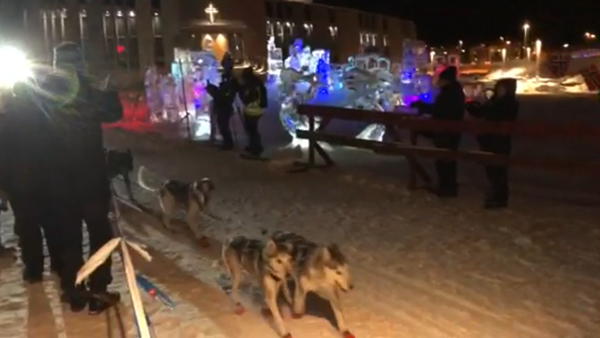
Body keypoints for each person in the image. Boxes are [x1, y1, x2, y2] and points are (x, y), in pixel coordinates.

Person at [46, 42, 123, 313]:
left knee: (68, 236)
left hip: (59, 180)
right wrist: (109, 90)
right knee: (100, 234)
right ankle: (99, 288)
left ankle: (74, 290)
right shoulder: (89, 91)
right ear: (79, 62)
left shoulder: (43, 93)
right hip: (89, 178)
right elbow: (114, 113)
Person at [411, 66, 465, 197]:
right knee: (446, 159)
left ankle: (446, 187)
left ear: (446, 81)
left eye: (440, 80)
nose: (438, 82)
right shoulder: (453, 92)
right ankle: (447, 186)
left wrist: (422, 106)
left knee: (444, 159)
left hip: (446, 131)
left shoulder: (449, 93)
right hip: (449, 130)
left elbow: (440, 110)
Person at [466, 78, 518, 209]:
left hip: (500, 140)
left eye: (502, 88)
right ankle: (494, 196)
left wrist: (483, 111)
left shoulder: (509, 103)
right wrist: (471, 105)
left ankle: (500, 199)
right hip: (488, 139)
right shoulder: (494, 101)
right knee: (491, 169)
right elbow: (482, 113)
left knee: (498, 170)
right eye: (499, 88)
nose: (500, 91)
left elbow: (496, 115)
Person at [206, 56, 238, 150]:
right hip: (223, 105)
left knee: (223, 125)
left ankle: (228, 143)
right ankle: (227, 142)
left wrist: (211, 89)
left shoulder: (229, 79)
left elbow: (222, 95)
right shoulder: (229, 78)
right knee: (222, 124)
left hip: (224, 106)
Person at [239, 67, 267, 157]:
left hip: (253, 110)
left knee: (252, 130)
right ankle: (253, 146)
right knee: (251, 129)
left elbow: (248, 99)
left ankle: (256, 148)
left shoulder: (252, 85)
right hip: (256, 109)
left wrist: (242, 96)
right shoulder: (256, 83)